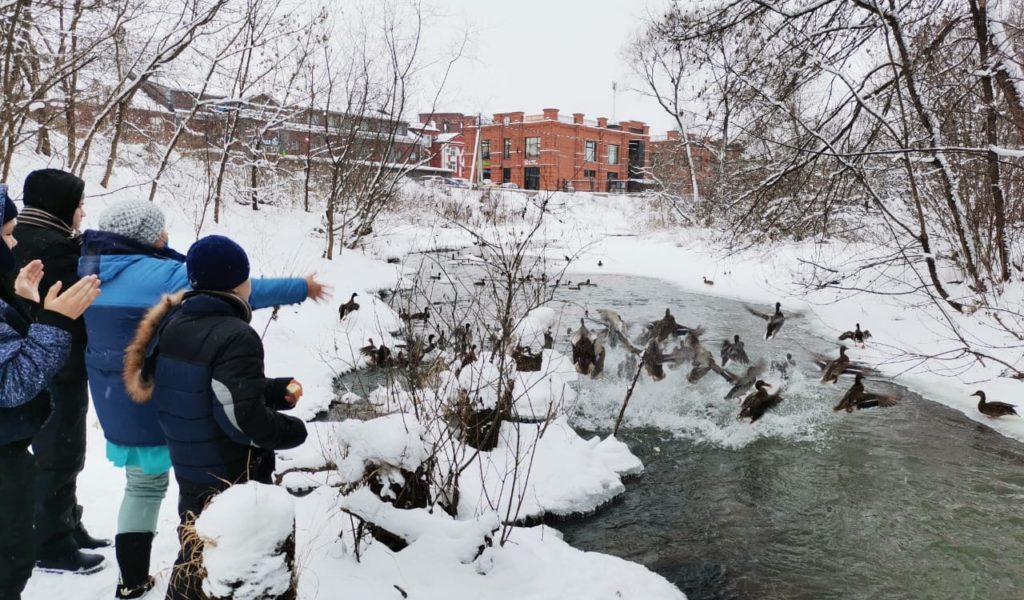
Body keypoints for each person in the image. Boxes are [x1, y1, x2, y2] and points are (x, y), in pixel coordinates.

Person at [78, 201, 329, 599]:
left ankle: (132, 580)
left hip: (116, 396)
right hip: (172, 399)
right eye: (158, 231)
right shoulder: (164, 274)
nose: (165, 237)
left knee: (142, 487)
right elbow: (240, 287)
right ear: (143, 235)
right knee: (204, 491)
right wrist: (302, 287)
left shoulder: (86, 269)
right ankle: (205, 574)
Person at [123, 235, 309, 600]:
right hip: (230, 470)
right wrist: (291, 431)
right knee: (238, 568)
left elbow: (202, 387)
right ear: (238, 283)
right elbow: (242, 420)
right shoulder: (237, 335)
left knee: (196, 548)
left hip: (192, 462)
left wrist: (272, 390)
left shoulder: (176, 323)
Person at [0, 183, 103, 599]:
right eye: (7, 234)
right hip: (40, 398)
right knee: (9, 564)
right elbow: (11, 383)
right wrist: (55, 322)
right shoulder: (61, 250)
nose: (14, 242)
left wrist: (25, 303)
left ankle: (61, 532)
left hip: (16, 436)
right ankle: (56, 543)